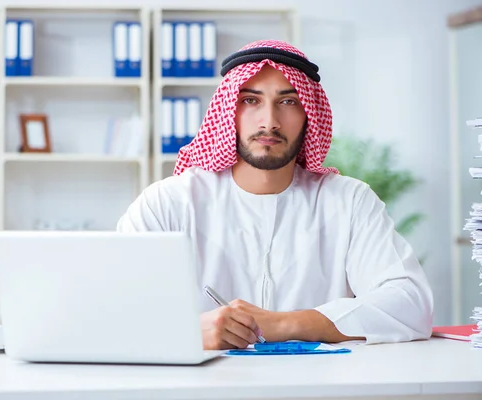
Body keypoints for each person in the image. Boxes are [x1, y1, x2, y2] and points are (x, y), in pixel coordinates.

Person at [116, 39, 434, 350]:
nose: (269, 122)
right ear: (229, 112)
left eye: (288, 101)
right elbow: (113, 308)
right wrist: (186, 332)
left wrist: (283, 324)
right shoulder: (168, 203)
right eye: (251, 100)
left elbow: (410, 303)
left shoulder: (348, 201)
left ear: (309, 114)